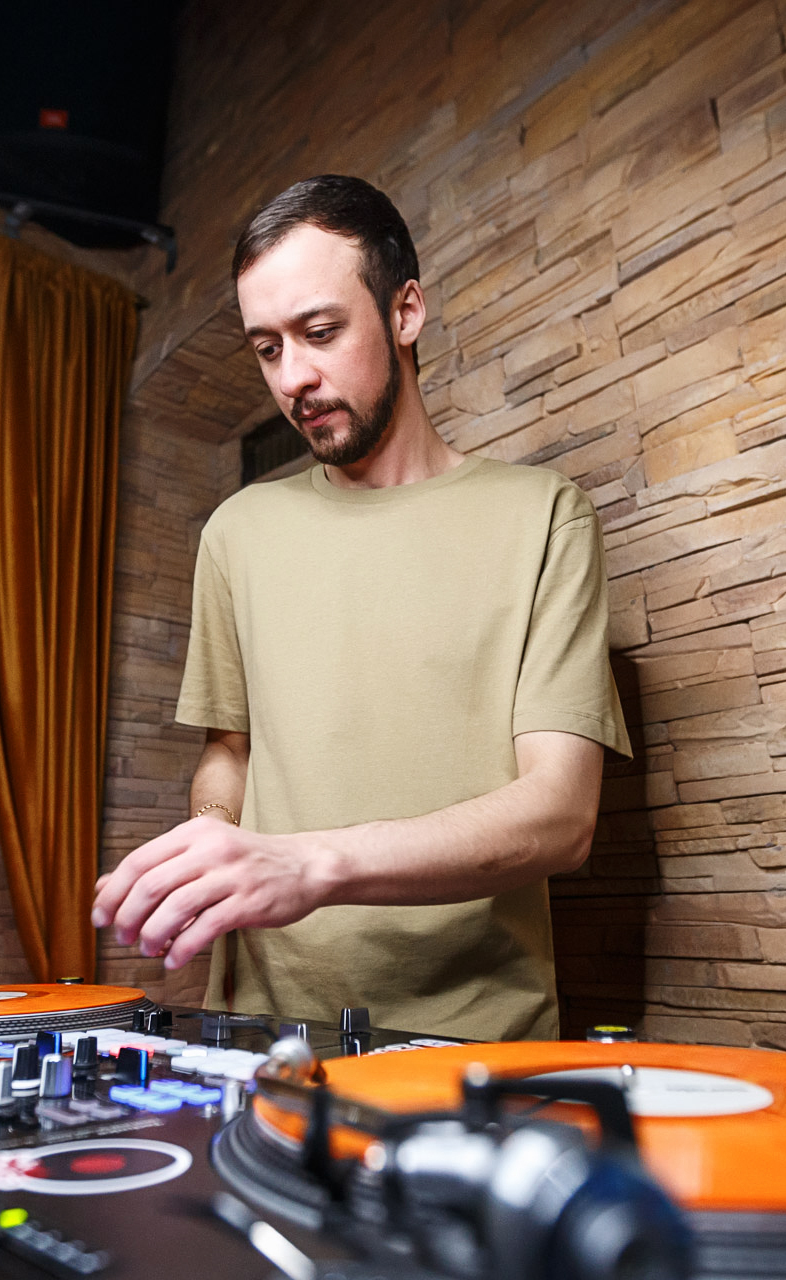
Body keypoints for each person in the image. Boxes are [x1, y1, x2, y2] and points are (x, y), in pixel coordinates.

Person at [89, 175, 629, 1041]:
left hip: (470, 1043)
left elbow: (563, 815)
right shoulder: (236, 532)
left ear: (405, 312)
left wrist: (309, 865)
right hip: (256, 1034)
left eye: (320, 332)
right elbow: (230, 752)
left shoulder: (544, 516)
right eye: (267, 348)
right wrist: (212, 841)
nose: (293, 378)